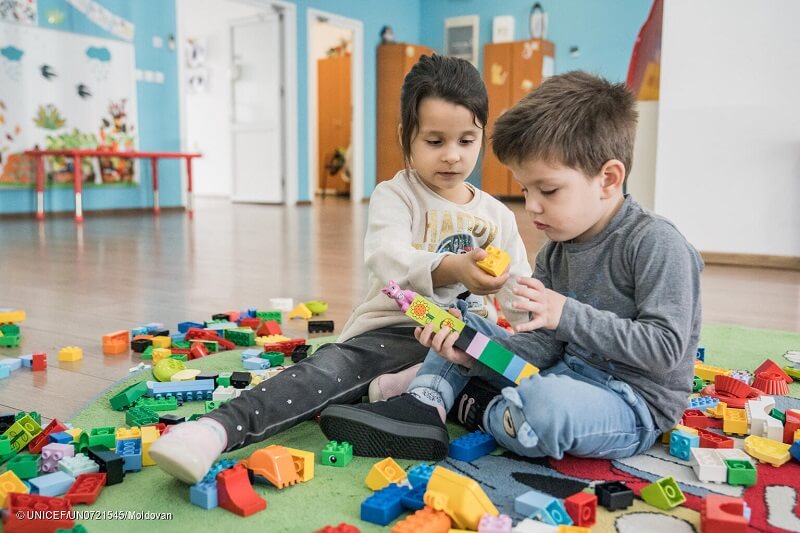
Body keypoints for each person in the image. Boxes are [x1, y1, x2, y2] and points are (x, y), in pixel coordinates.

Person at [149, 54, 531, 483]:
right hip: (396, 331)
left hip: (467, 343)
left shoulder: (497, 216)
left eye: (466, 141)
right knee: (324, 375)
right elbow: (389, 260)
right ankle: (213, 431)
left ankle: (401, 391)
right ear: (407, 136)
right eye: (435, 141)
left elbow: (520, 291)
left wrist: (542, 332)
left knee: (527, 383)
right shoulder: (396, 195)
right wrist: (455, 267)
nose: (452, 156)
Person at [319, 71, 704, 462]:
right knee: (459, 323)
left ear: (607, 178)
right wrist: (472, 351)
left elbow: (666, 349)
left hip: (629, 401)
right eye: (525, 190)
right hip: (558, 372)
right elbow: (541, 348)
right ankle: (423, 404)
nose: (532, 206)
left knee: (545, 408)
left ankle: (468, 403)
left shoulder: (657, 244)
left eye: (548, 190)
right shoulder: (557, 250)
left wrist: (566, 314)